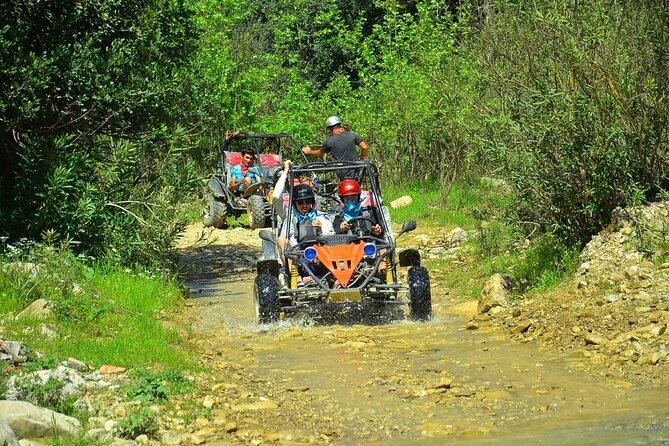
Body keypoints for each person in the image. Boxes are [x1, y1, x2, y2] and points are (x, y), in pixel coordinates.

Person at [272, 161, 334, 285]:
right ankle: (296, 278)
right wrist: (285, 172)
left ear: (312, 201)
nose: (304, 205)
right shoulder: (288, 215)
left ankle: (331, 278)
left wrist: (321, 231)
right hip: (295, 259)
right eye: (300, 202)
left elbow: (332, 239)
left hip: (319, 258)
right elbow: (275, 197)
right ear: (295, 203)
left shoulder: (321, 216)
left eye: (307, 201)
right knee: (282, 240)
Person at [301, 116, 368, 179]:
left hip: (342, 172)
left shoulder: (329, 141)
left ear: (330, 129)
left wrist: (309, 151)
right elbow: (365, 147)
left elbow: (319, 154)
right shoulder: (353, 135)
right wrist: (362, 157)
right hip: (356, 169)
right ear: (339, 125)